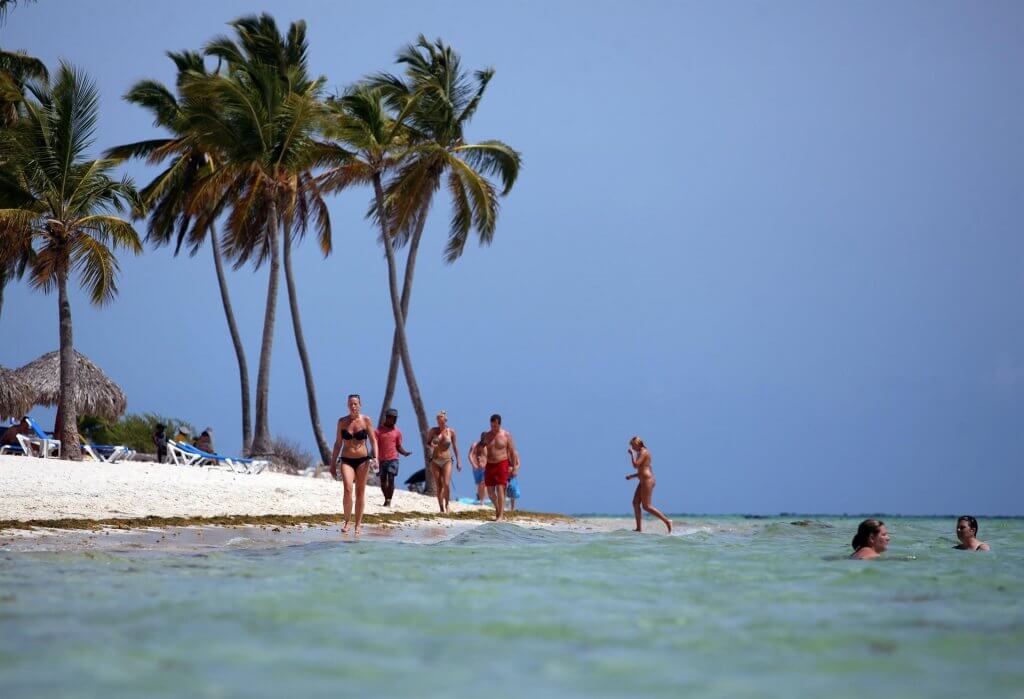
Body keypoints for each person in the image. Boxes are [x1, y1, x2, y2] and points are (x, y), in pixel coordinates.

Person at [329, 394, 380, 534]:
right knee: (347, 490)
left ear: (360, 405)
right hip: (346, 460)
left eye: (355, 404)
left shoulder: (366, 420)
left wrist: (376, 458)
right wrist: (332, 464)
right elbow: (338, 444)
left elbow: (373, 441)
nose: (353, 406)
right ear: (347, 405)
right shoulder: (342, 422)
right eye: (350, 404)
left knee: (360, 492)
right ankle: (347, 521)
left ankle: (358, 524)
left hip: (363, 460)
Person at [626, 436, 672, 533]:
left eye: (633, 445)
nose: (632, 447)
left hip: (647, 480)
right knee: (635, 502)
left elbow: (636, 465)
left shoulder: (644, 452)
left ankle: (667, 521)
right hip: (643, 480)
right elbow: (643, 470)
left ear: (638, 444)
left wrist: (632, 454)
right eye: (632, 446)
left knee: (646, 506)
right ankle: (638, 528)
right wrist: (632, 476)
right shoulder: (640, 453)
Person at [478, 414, 518, 522]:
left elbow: (512, 452)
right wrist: (481, 458)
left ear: (499, 424)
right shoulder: (487, 435)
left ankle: (500, 516)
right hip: (490, 465)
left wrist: (514, 467)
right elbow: (480, 447)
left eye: (495, 426)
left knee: (501, 489)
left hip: (502, 463)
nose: (493, 428)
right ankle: (498, 508)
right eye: (491, 426)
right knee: (490, 493)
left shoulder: (506, 435)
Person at [375, 407, 412, 507]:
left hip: (393, 458)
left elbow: (398, 446)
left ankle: (388, 500)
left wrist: (404, 453)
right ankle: (386, 497)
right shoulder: (378, 431)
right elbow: (375, 446)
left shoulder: (397, 432)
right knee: (383, 482)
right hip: (382, 459)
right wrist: (373, 457)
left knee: (391, 478)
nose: (394, 420)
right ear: (387, 418)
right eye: (392, 418)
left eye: (395, 418)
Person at [425, 410, 460, 513]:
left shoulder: (451, 432)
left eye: (441, 421)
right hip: (435, 460)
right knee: (439, 485)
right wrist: (431, 445)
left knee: (446, 483)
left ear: (445, 420)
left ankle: (447, 505)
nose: (440, 423)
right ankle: (441, 508)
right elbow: (427, 443)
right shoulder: (433, 431)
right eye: (438, 421)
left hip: (447, 460)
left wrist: (459, 461)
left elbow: (455, 447)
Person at [468, 439, 488, 504]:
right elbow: (470, 455)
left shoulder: (486, 447)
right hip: (476, 468)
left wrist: (485, 465)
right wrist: (473, 464)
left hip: (484, 468)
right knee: (479, 485)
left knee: (484, 483)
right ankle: (480, 499)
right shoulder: (474, 445)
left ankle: (482, 501)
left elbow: (488, 457)